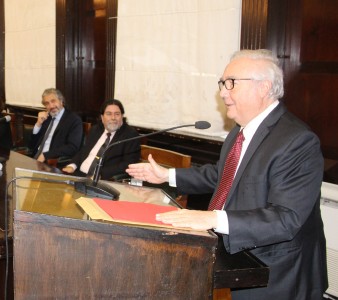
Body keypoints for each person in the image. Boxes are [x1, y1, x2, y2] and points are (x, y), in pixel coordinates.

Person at [126, 49, 328, 299]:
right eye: (222, 83)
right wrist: (168, 176)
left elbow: (286, 219)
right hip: (242, 258)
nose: (222, 92)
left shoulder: (297, 141)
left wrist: (213, 219)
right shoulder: (240, 131)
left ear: (264, 87)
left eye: (231, 83)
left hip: (279, 273)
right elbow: (223, 175)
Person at [62, 99, 140, 180]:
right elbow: (84, 150)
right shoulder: (95, 129)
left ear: (122, 116)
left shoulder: (130, 135)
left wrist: (100, 174)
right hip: (78, 174)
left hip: (103, 179)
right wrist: (72, 165)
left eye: (117, 114)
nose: (113, 118)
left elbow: (128, 163)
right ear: (102, 118)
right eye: (109, 114)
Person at [28, 88, 83, 163]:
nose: (51, 106)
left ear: (61, 101)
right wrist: (38, 124)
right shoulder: (46, 118)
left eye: (53, 101)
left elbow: (72, 147)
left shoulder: (74, 120)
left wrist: (46, 155)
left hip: (52, 163)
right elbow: (31, 145)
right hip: (34, 160)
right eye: (47, 103)